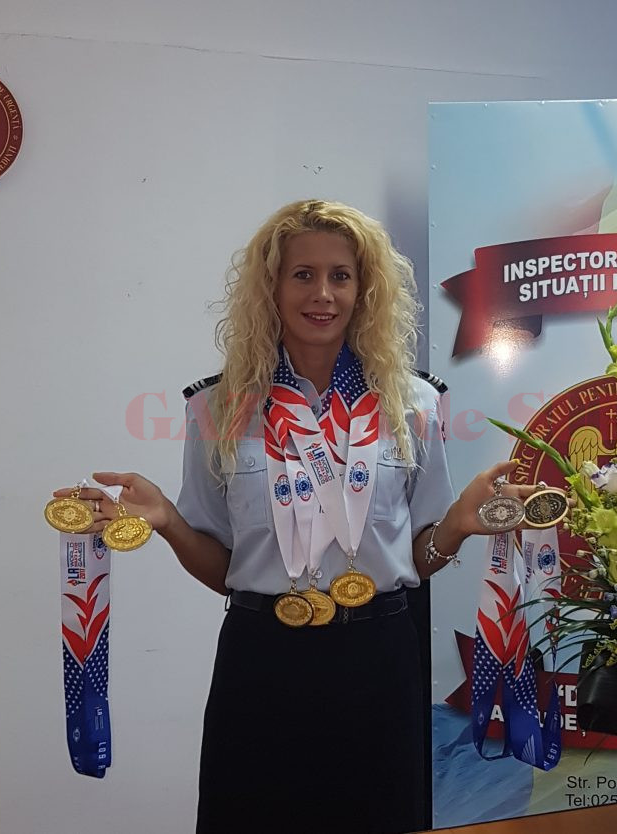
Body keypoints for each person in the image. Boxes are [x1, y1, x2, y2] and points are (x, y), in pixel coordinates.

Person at [52, 199, 533, 833]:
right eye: (303, 274)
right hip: (262, 659)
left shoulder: (414, 403)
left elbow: (419, 559)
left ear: (364, 290)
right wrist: (167, 520)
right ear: (272, 287)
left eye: (341, 275)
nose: (323, 294)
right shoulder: (216, 408)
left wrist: (459, 525)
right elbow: (223, 569)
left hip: (379, 658)